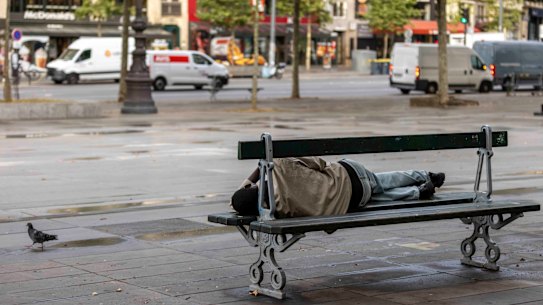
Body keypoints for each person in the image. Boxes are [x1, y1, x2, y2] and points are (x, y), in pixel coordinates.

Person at [231, 157, 445, 218]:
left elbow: (249, 201)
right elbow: (320, 163)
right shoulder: (279, 166)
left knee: (368, 197)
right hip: (350, 173)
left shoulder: (278, 211)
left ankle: (417, 192)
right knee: (380, 181)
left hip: (351, 202)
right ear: (253, 188)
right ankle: (425, 175)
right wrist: (251, 179)